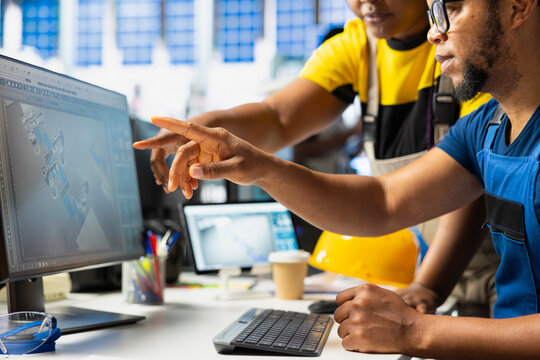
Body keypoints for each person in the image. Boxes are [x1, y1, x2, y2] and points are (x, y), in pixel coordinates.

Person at [135, 0, 540, 357]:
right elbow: (382, 200)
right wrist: (259, 166)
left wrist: (416, 331)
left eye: (451, 8)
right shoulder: (485, 128)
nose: (435, 31)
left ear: (518, 7)